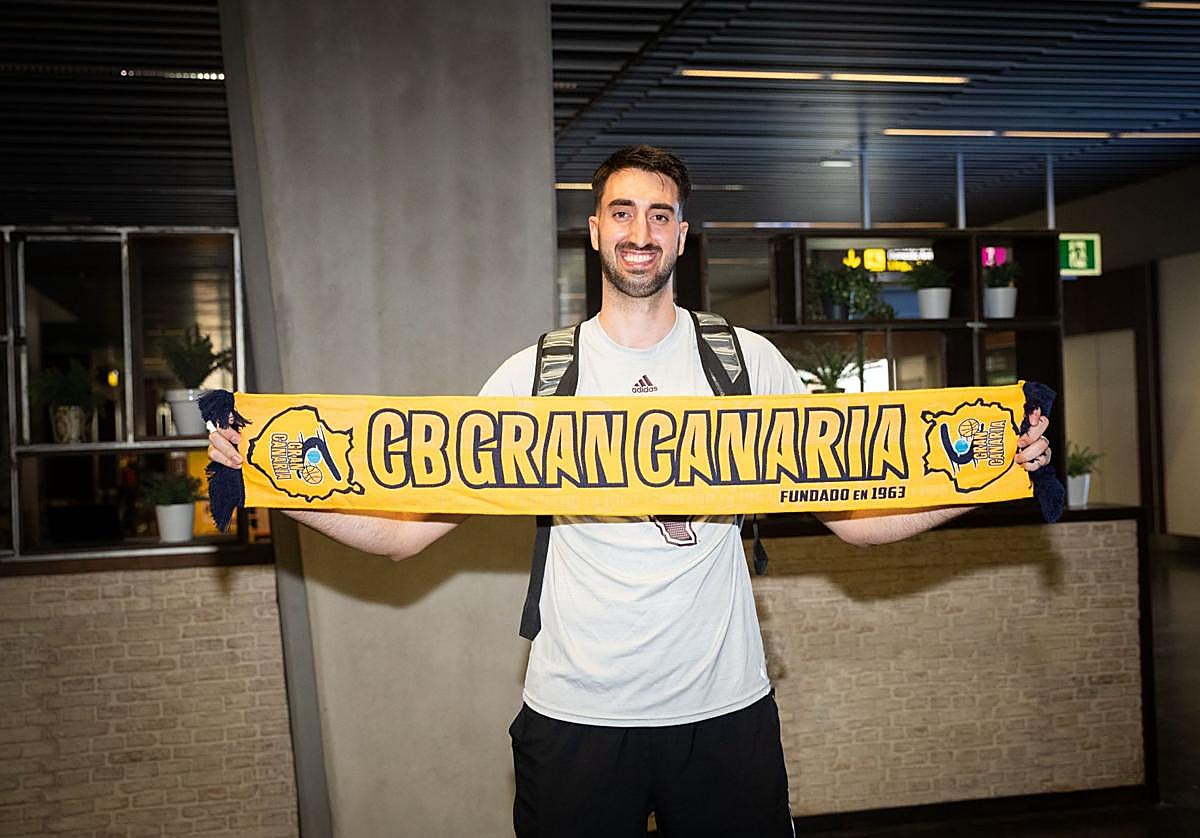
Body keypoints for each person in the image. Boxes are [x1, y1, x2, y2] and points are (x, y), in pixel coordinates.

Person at [209, 145, 1053, 838]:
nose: (640, 232)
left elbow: (859, 522)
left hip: (723, 712)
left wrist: (1000, 469)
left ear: (682, 236)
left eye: (658, 215)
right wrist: (269, 478)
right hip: (575, 716)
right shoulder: (537, 378)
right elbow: (401, 533)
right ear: (594, 231)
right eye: (622, 212)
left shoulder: (746, 365)